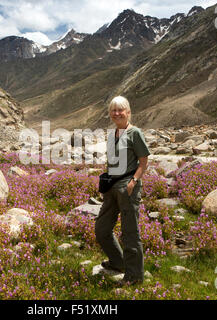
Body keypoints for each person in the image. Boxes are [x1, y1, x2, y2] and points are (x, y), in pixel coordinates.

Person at [95, 96, 150, 285]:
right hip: (111, 188)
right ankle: (118, 263)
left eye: (121, 110)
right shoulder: (112, 134)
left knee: (130, 233)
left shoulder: (135, 133)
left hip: (128, 187)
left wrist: (134, 181)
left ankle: (134, 277)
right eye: (113, 110)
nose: (117, 113)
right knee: (101, 229)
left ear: (128, 112)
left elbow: (143, 161)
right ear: (110, 113)